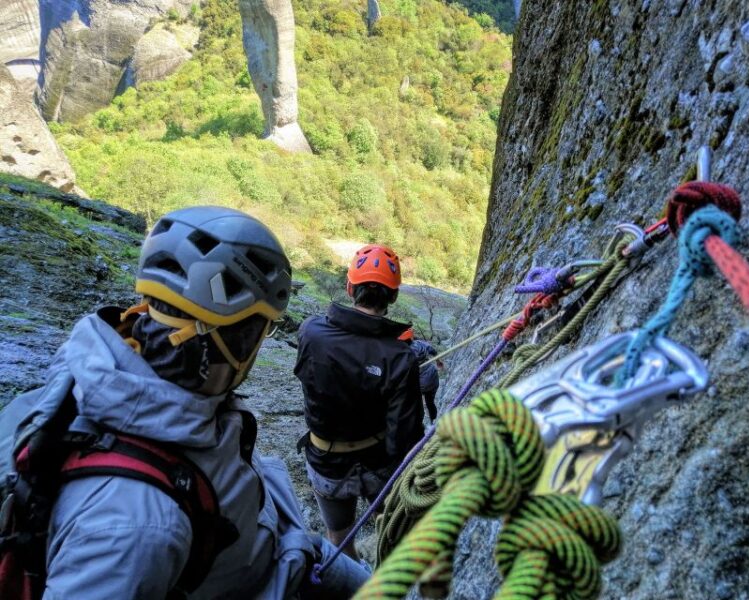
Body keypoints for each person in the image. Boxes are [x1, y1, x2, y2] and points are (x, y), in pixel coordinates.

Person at [5, 206, 369, 599]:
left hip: (291, 551)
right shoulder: (136, 530)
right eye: (259, 331)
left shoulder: (132, 380)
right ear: (233, 341)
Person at [294, 244, 424, 561]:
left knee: (339, 538)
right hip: (378, 464)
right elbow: (404, 435)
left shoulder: (310, 331)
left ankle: (347, 579)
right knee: (390, 528)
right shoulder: (399, 357)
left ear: (350, 287)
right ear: (393, 297)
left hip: (325, 459)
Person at [399, 328, 442, 422]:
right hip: (433, 377)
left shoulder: (404, 353)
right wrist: (438, 362)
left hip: (420, 383)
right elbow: (433, 351)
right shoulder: (420, 343)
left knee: (414, 403)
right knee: (430, 402)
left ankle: (417, 423)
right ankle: (433, 422)